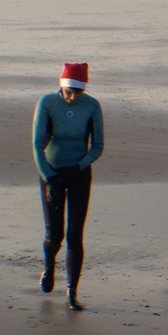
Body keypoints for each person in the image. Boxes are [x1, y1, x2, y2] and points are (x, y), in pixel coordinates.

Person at [32, 62, 105, 311]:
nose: (73, 97)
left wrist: (80, 166)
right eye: (69, 92)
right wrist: (49, 178)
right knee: (55, 235)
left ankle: (72, 292)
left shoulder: (92, 106)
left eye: (79, 92)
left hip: (79, 174)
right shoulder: (47, 103)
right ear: (62, 86)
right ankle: (49, 266)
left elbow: (98, 146)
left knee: (75, 234)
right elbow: (37, 145)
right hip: (52, 172)